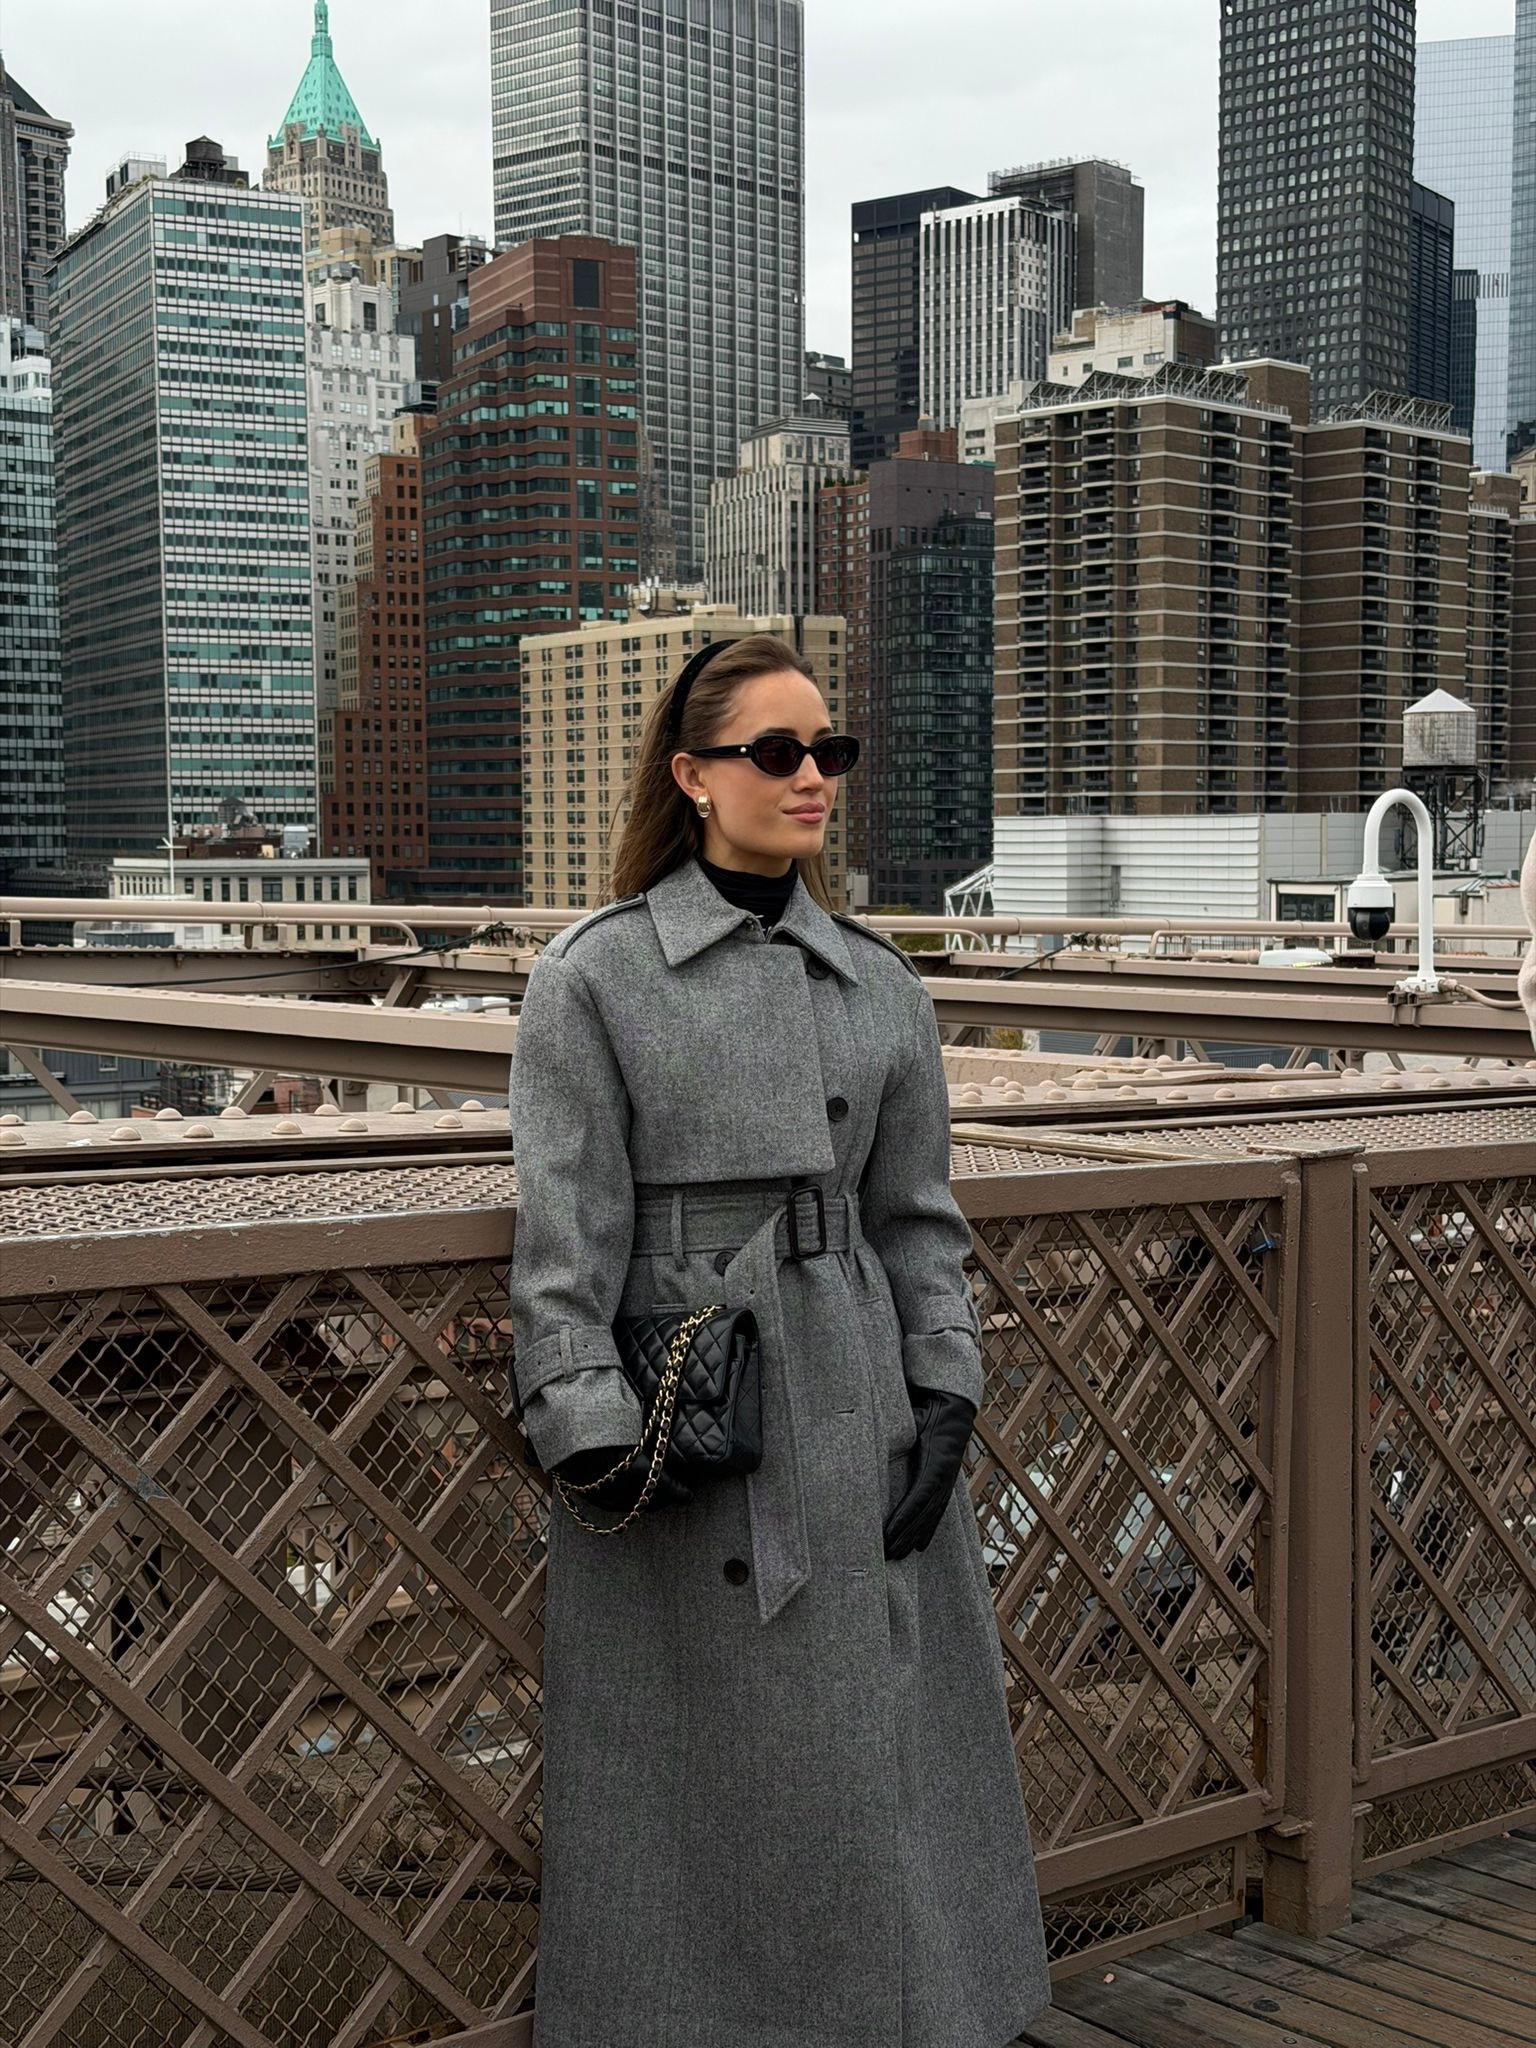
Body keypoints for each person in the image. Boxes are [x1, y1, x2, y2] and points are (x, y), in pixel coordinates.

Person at [507, 633, 1049, 2047]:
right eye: (776, 752)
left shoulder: (881, 983)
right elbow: (564, 1248)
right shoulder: (593, 979)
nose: (812, 778)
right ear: (692, 776)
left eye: (830, 752)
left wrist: (947, 1385)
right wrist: (593, 1430)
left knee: (879, 1754)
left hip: (857, 1401)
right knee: (686, 1782)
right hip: (691, 1419)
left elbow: (920, 1218)